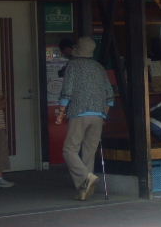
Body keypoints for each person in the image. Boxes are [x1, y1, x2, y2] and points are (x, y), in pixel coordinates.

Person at [56, 36, 114, 201]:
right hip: (99, 114)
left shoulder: (73, 65)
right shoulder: (99, 67)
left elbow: (67, 91)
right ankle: (84, 191)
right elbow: (109, 94)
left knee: (69, 150)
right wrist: (104, 113)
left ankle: (85, 177)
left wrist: (61, 111)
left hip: (79, 112)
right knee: (89, 152)